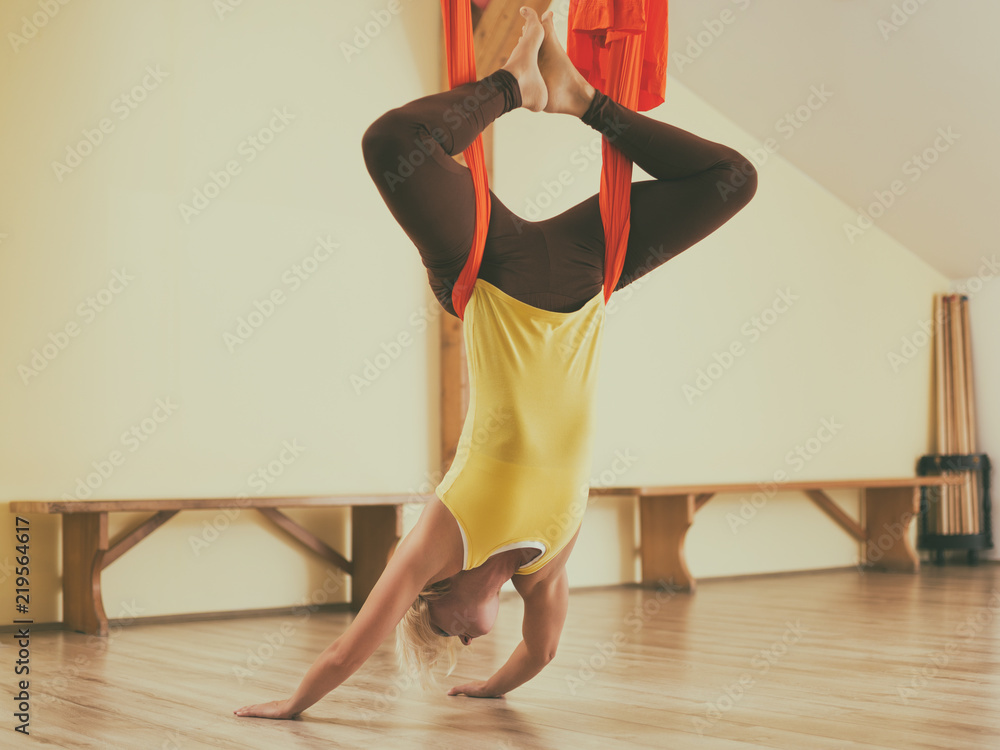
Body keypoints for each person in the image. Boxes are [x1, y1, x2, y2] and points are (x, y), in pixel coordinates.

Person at [234, 6, 756, 720]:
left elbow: (348, 650)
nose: (465, 643)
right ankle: (584, 100)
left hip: (488, 273)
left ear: (433, 599)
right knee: (732, 178)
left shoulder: (441, 542)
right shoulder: (544, 568)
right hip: (583, 278)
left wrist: (293, 704)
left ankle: (512, 86)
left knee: (393, 142)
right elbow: (542, 651)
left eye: (445, 637)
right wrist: (492, 688)